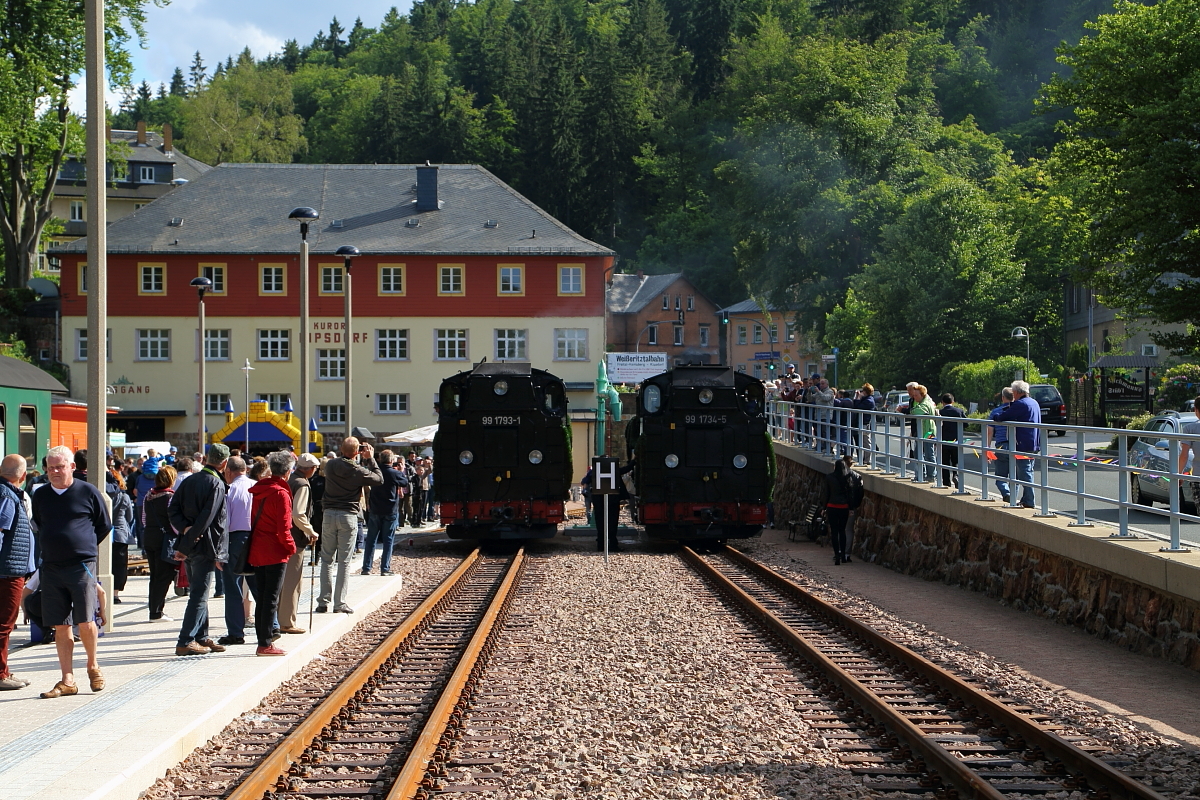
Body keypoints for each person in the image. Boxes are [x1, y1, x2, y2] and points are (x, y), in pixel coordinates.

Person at [30, 446, 112, 698]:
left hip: (81, 566)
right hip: (52, 566)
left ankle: (92, 665)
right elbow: (40, 524)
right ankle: (67, 679)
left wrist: (82, 545)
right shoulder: (40, 495)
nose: (54, 471)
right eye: (50, 467)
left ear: (72, 467)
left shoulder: (88, 492)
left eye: (60, 466)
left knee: (85, 620)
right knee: (60, 624)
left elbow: (104, 525)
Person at [167, 443, 230, 656]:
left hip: (191, 543)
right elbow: (206, 519)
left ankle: (201, 636)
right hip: (204, 545)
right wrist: (187, 542)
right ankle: (185, 640)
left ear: (205, 458)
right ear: (224, 463)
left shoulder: (190, 479)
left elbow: (173, 509)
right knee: (199, 595)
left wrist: (184, 529)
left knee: (198, 592)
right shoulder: (216, 484)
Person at [319, 437, 382, 614]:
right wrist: (370, 458)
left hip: (329, 514)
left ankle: (323, 601)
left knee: (326, 559)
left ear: (340, 448)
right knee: (344, 561)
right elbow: (379, 479)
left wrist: (355, 454)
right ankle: (339, 603)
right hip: (348, 514)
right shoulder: (359, 470)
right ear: (357, 452)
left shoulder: (330, 465)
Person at [247, 451, 297, 656]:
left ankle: (263, 640)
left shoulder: (260, 490)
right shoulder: (281, 493)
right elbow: (284, 527)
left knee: (263, 597)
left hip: (258, 548)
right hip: (275, 550)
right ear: (287, 473)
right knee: (271, 599)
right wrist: (291, 547)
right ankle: (265, 643)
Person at [0, 454, 35, 689]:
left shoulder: (9, 493)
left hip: (11, 568)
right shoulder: (6, 495)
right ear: (22, 476)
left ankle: (4, 670)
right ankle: (1, 674)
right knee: (4, 623)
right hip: (7, 570)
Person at [279, 452, 319, 634]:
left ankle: (281, 619)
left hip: (282, 535)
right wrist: (310, 530)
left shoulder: (290, 480)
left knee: (283, 579)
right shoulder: (302, 485)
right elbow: (298, 514)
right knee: (292, 581)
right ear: (310, 469)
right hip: (295, 538)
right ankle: (287, 621)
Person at [217, 456, 254, 646]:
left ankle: (236, 632)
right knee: (259, 586)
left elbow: (225, 523)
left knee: (232, 587)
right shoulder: (256, 487)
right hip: (255, 539)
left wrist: (220, 552)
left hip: (234, 539)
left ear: (229, 471)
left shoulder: (229, 491)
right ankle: (271, 627)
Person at [141, 465, 179, 622]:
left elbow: (144, 518)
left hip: (149, 537)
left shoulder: (149, 495)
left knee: (155, 575)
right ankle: (156, 612)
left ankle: (154, 609)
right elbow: (174, 521)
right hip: (165, 539)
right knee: (164, 576)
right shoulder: (170, 497)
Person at [995, 380, 1041, 508]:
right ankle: (1026, 499)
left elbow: (1003, 417)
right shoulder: (1034, 402)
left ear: (1016, 392)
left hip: (1022, 443)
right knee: (1028, 471)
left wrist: (997, 416)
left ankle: (1029, 500)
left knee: (1024, 472)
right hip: (1034, 442)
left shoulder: (1020, 404)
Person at [363, 450, 407, 575]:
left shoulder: (375, 472)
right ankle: (384, 568)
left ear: (380, 459)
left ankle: (366, 567)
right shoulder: (394, 473)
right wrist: (401, 470)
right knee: (388, 540)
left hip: (375, 509)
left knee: (371, 539)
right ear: (392, 460)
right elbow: (404, 482)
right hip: (390, 510)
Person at [821, 456, 861, 565]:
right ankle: (844, 555)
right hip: (843, 507)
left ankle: (837, 555)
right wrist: (851, 508)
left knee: (834, 532)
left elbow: (826, 494)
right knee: (842, 531)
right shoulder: (848, 477)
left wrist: (824, 508)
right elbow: (850, 495)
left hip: (832, 506)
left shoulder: (829, 477)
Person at [106, 468, 134, 604]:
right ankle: (115, 594)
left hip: (104, 534)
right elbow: (130, 517)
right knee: (120, 565)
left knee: (105, 564)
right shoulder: (124, 497)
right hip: (120, 534)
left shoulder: (100, 495)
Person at [988, 387, 1015, 501]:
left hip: (1001, 446)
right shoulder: (1018, 411)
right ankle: (1013, 498)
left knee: (1000, 477)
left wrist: (987, 448)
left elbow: (989, 431)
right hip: (1016, 446)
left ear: (1003, 398)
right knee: (1015, 478)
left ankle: (1006, 493)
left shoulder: (996, 412)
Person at [907, 384, 938, 481]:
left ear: (922, 395)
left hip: (928, 432)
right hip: (922, 432)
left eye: (916, 395)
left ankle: (931, 475)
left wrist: (911, 411)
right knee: (918, 453)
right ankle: (922, 475)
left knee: (929, 454)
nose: (914, 397)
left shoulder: (925, 403)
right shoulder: (921, 402)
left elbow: (917, 411)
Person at [938, 393, 967, 489]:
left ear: (942, 402)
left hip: (944, 441)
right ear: (953, 402)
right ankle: (956, 475)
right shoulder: (959, 411)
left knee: (945, 463)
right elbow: (966, 424)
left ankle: (946, 483)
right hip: (956, 440)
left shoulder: (940, 412)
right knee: (956, 461)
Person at [1176, 396, 1200, 506]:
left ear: (1195, 409)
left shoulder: (1190, 429)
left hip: (1198, 476)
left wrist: (1179, 474)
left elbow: (1184, 455)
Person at [853, 383, 876, 464]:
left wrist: (858, 398)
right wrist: (857, 397)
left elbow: (857, 407)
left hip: (865, 423)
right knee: (862, 442)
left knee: (866, 442)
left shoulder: (869, 400)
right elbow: (854, 405)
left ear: (865, 392)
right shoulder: (865, 399)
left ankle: (867, 459)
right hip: (860, 422)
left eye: (863, 390)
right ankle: (863, 459)